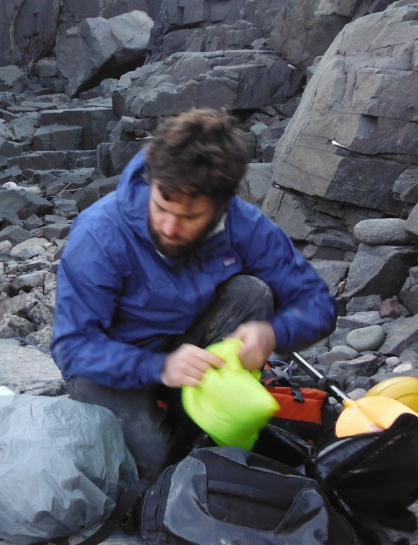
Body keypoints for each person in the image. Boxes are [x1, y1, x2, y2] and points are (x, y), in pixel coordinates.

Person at [51, 108, 337, 480]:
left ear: (221, 205)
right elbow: (72, 347)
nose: (169, 227)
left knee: (252, 293)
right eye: (161, 208)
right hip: (110, 364)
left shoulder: (243, 224)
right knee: (163, 471)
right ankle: (175, 427)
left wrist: (273, 334)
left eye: (189, 218)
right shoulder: (101, 234)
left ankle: (198, 415)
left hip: (192, 350)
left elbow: (318, 304)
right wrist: (160, 367)